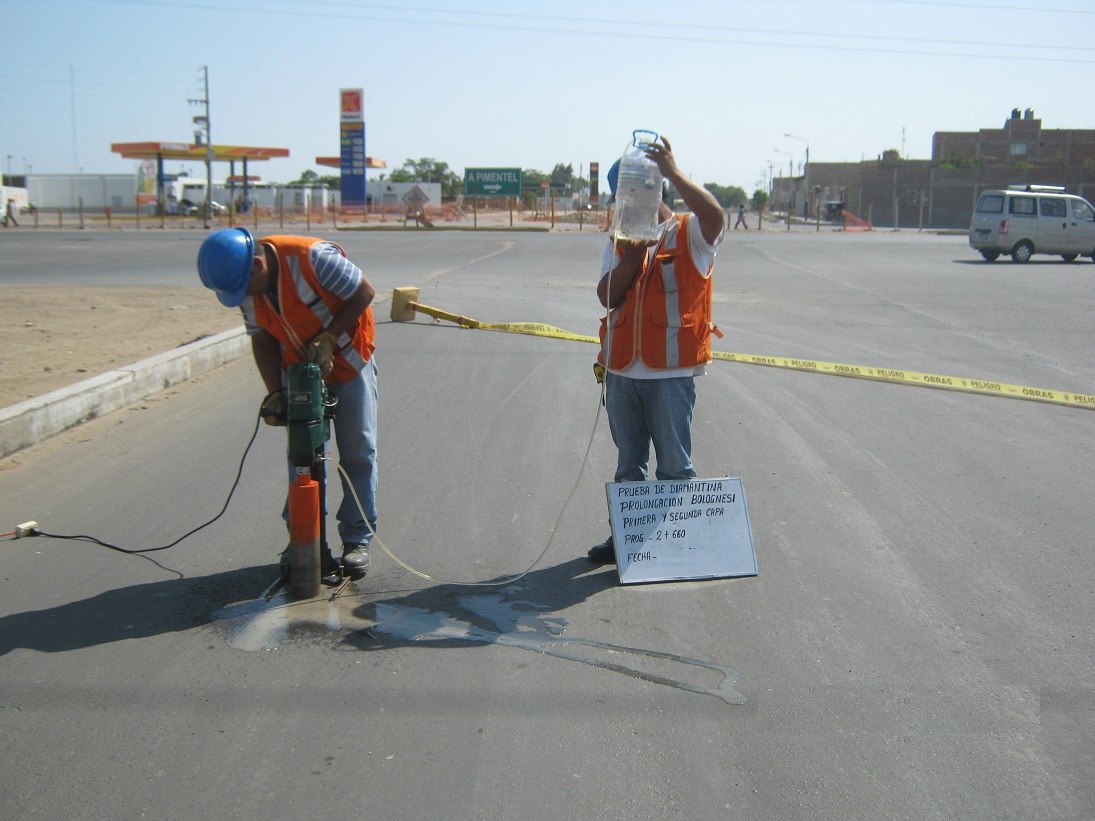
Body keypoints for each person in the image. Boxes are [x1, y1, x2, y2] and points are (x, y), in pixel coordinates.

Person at [197, 227, 378, 582]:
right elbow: (262, 339)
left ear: (257, 266)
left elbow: (364, 293)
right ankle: (303, 539)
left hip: (349, 360)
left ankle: (357, 538)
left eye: (246, 289)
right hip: (300, 371)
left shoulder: (314, 259)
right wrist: (275, 393)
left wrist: (329, 337)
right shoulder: (245, 286)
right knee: (303, 456)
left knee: (358, 450)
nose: (246, 298)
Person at [590, 136, 726, 564]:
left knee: (674, 466)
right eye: (622, 198)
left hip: (669, 376)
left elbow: (715, 216)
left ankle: (679, 549)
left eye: (635, 195)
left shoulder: (689, 232)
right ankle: (626, 539)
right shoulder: (620, 240)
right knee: (628, 465)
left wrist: (673, 171)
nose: (627, 204)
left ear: (655, 192)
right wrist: (632, 257)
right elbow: (607, 296)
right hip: (622, 373)